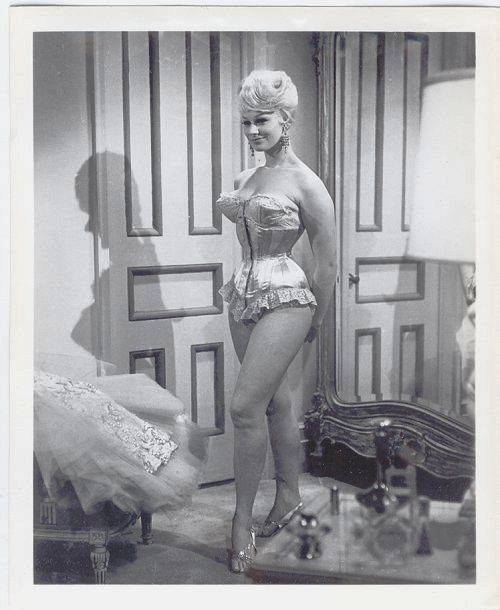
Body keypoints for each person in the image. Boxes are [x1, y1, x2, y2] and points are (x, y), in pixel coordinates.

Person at [216, 70, 337, 573]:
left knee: (244, 407)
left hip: (288, 296)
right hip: (242, 294)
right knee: (273, 403)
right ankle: (288, 495)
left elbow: (327, 263)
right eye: (245, 122)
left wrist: (316, 321)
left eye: (261, 120)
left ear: (285, 120)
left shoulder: (307, 183)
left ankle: (240, 521)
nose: (251, 131)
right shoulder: (244, 179)